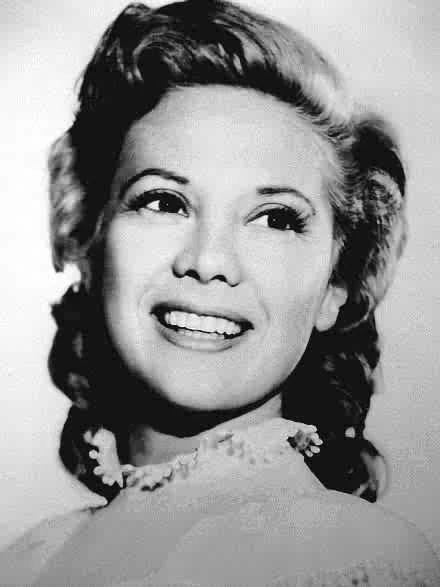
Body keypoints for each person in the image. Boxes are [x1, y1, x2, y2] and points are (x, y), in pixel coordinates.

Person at [2, 0, 439, 584]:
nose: (208, 262)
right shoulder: (32, 559)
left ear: (337, 283)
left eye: (276, 218)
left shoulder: (353, 557)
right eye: (163, 201)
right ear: (90, 239)